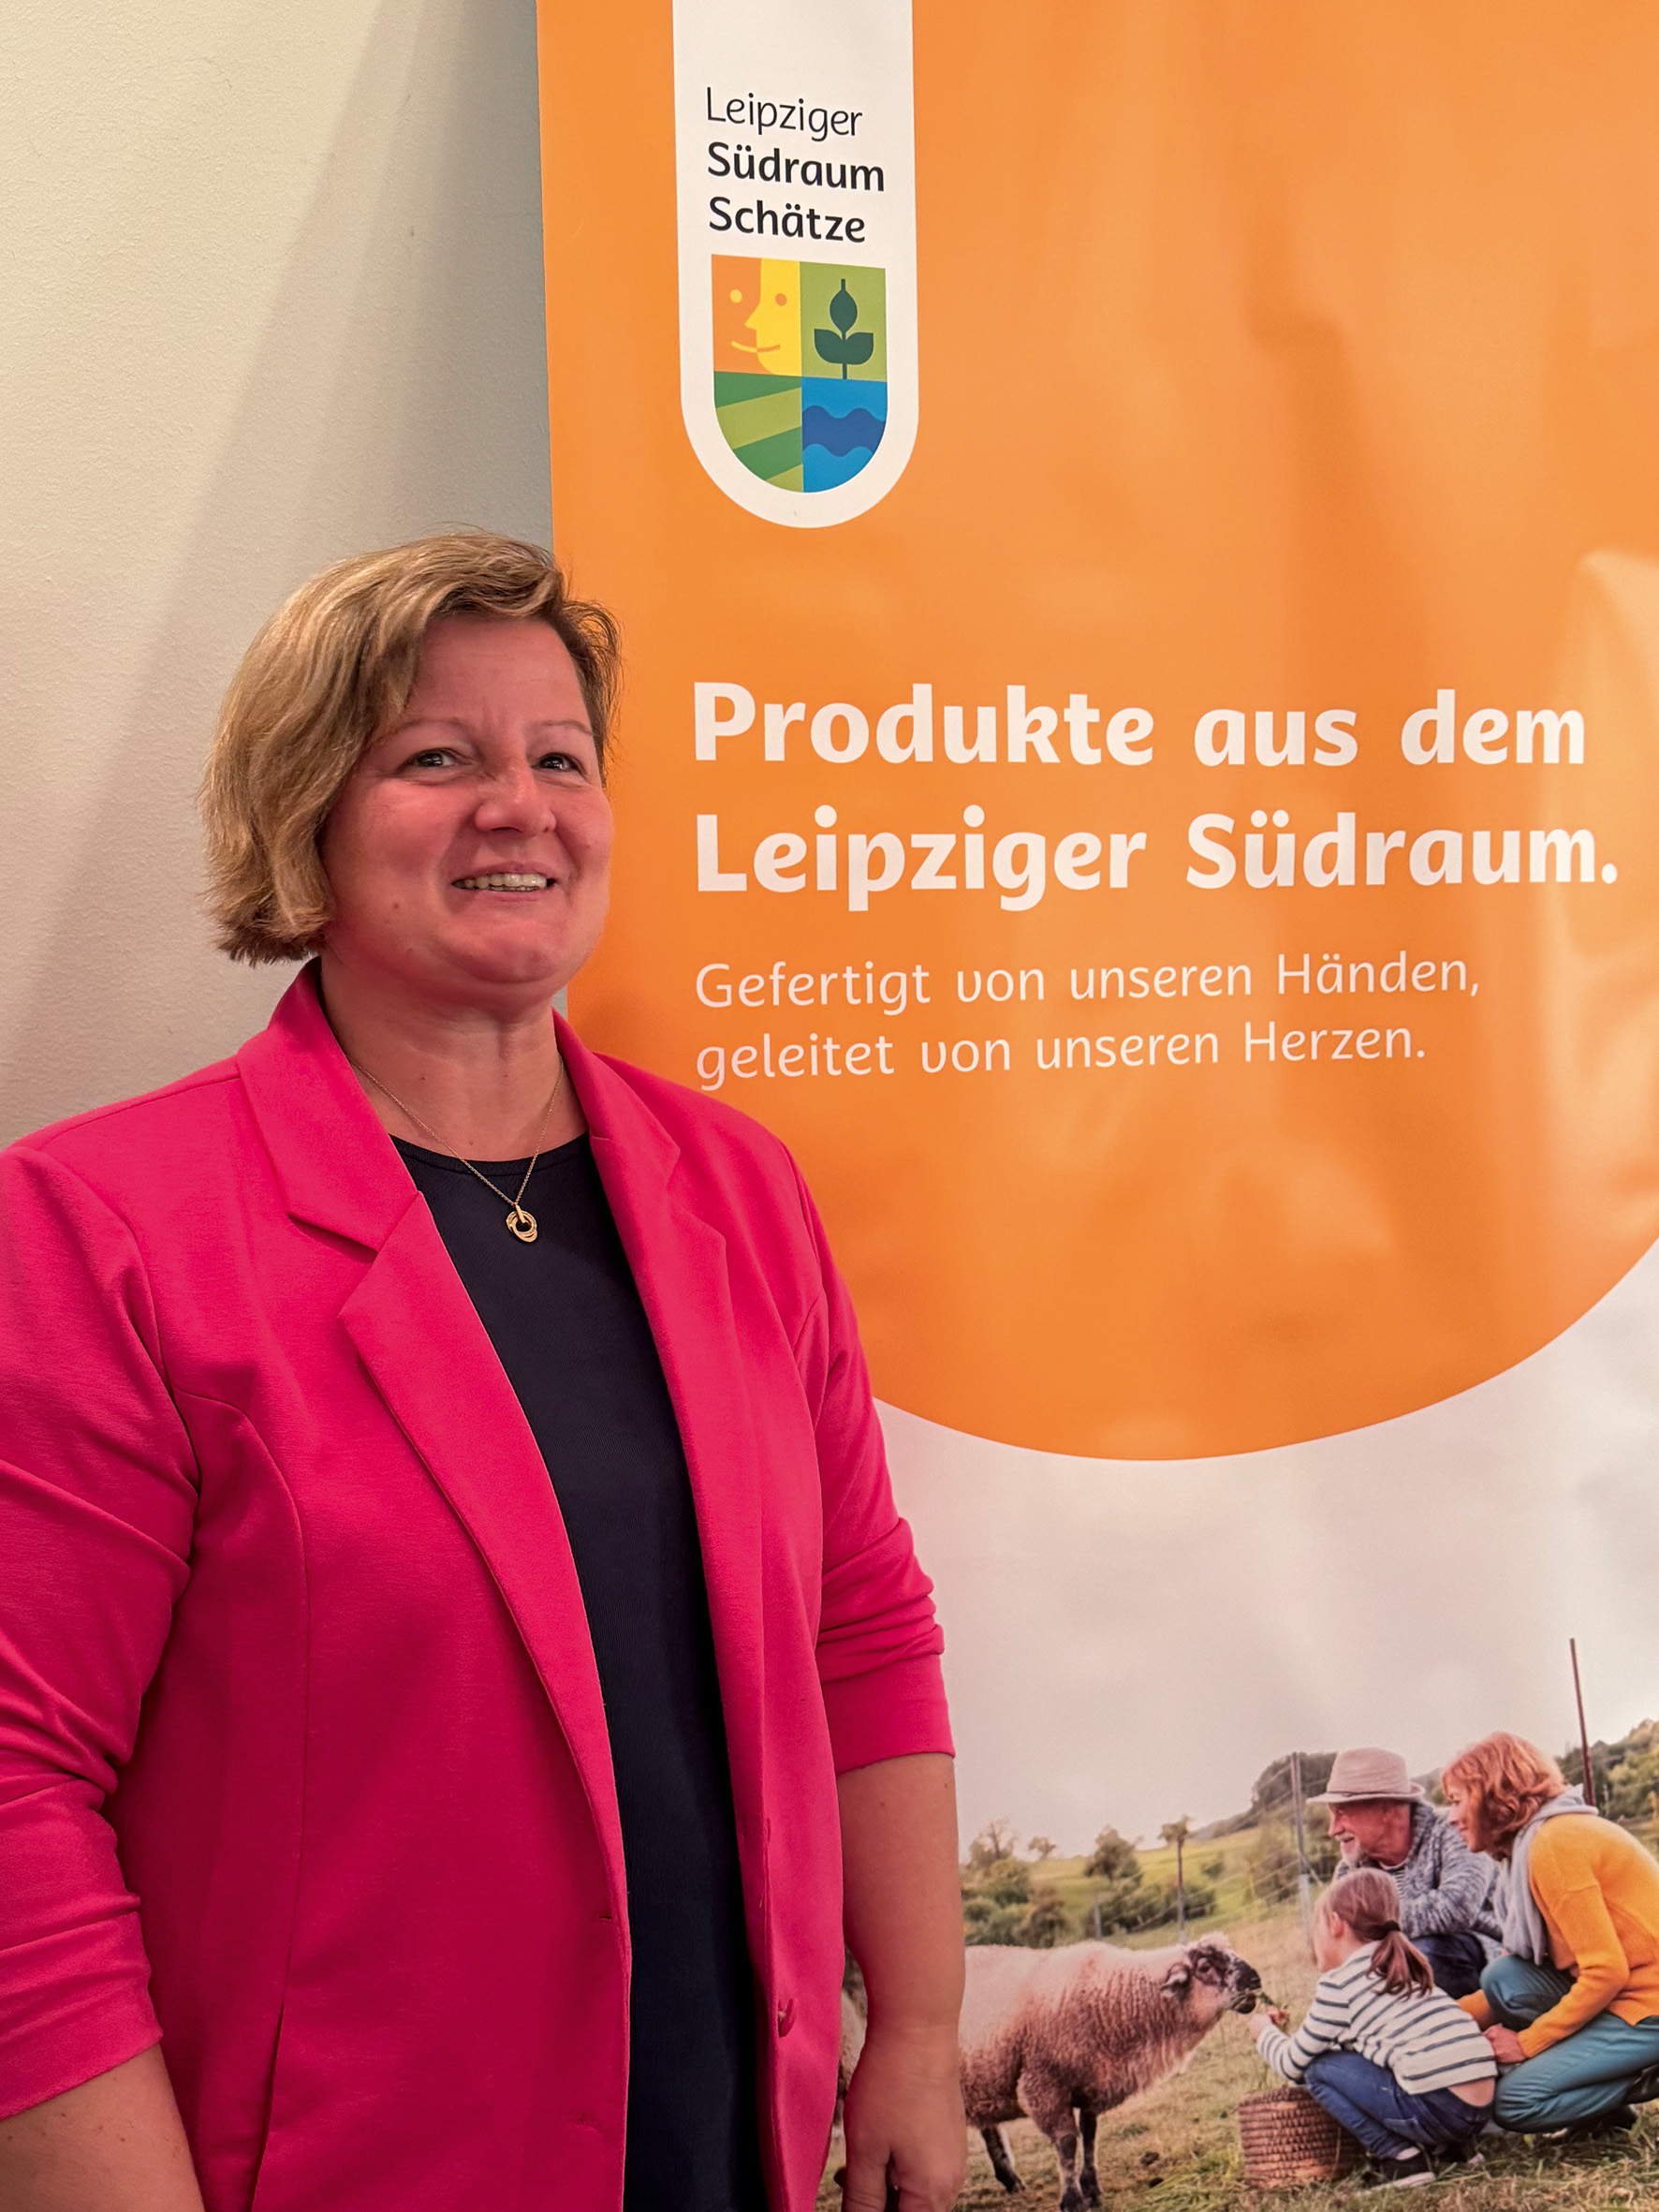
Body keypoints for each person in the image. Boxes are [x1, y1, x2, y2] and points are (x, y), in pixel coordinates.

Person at [0, 533, 969, 2212]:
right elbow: (18, 1784)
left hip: (729, 2146)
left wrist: (923, 2029)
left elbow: (862, 1626)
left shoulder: (739, 1188)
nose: (519, 806)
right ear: (305, 807)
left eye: (560, 758)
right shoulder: (104, 1230)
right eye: (438, 757)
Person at [1445, 1732, 1659, 2139]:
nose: (1451, 1817)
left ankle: (1644, 2076)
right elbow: (1511, 1985)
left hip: (1649, 2003)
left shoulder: (1555, 1845)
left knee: (1516, 2102)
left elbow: (1606, 1972)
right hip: (1627, 1992)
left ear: (1494, 1795)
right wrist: (1434, 2023)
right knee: (1504, 1978)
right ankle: (1606, 2099)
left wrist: (1527, 2044)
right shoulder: (1534, 1846)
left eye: (1457, 1801)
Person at [1246, 1867, 1496, 2189]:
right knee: (1394, 2058)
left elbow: (1292, 2063)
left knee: (1318, 2070)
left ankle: (1400, 2159)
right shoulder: (1400, 1967)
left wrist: (1264, 2031)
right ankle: (1453, 2149)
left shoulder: (1340, 1984)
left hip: (1440, 2110)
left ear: (1335, 1924)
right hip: (1478, 2109)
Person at [1312, 1747, 1499, 1998]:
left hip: (1490, 1963)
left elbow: (1456, 1907)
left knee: (1420, 1955)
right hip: (1406, 1967)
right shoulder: (1350, 1871)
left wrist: (1369, 1924)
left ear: (1386, 1809)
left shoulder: (1454, 1830)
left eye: (1342, 1813)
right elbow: (1341, 1942)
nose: (1333, 1830)